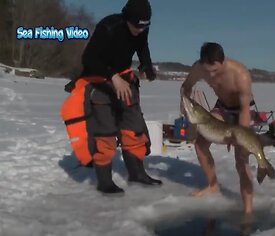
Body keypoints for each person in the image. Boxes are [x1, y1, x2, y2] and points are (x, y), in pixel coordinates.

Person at [60, 0, 162, 195]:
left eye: (145, 26)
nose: (141, 30)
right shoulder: (109, 27)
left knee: (134, 127)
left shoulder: (141, 29)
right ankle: (105, 181)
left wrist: (146, 65)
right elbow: (89, 58)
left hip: (123, 79)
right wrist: (113, 77)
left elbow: (142, 46)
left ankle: (137, 173)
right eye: (137, 26)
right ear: (127, 19)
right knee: (104, 131)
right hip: (98, 79)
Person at [180, 42, 257, 214]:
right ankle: (213, 185)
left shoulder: (241, 75)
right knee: (200, 145)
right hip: (222, 106)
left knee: (241, 161)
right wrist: (183, 103)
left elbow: (245, 110)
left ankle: (248, 209)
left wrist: (240, 137)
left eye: (215, 71)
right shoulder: (199, 68)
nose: (211, 75)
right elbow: (186, 86)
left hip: (242, 110)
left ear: (223, 62)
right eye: (208, 71)